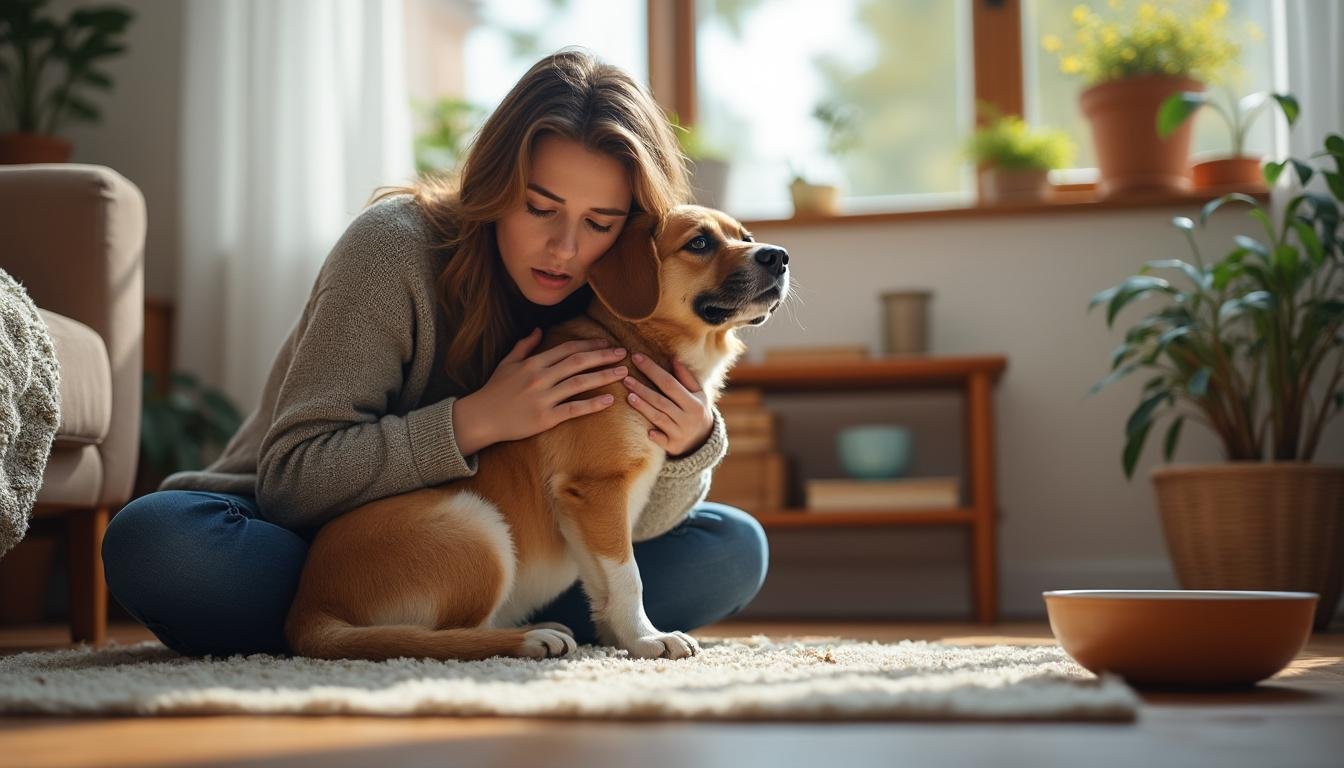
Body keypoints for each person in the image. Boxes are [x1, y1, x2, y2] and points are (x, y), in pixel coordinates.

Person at [101, 49, 768, 658]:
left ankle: (474, 623)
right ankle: (380, 625)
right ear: (496, 185)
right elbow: (293, 479)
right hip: (300, 538)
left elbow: (612, 507)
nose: (565, 248)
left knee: (731, 548)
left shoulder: (623, 299)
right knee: (162, 544)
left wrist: (688, 447)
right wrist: (475, 421)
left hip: (512, 558)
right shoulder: (393, 249)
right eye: (539, 208)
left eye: (600, 223)